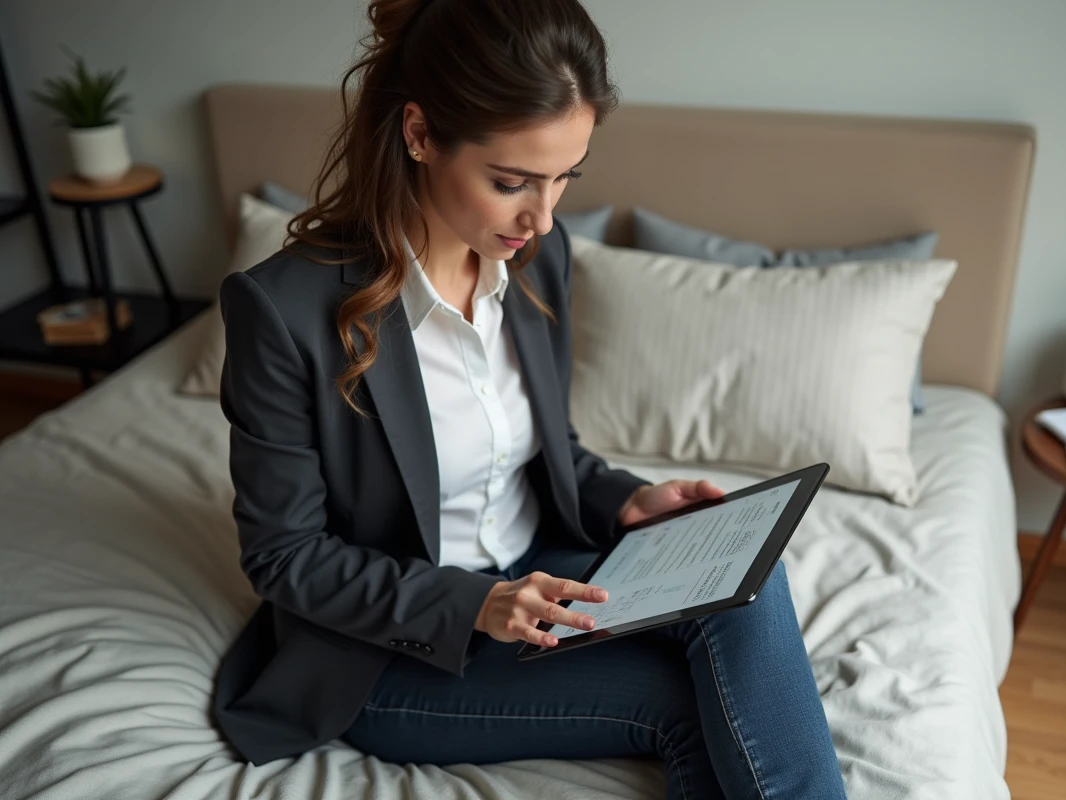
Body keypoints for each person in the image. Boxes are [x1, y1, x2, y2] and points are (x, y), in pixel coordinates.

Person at [211, 1, 846, 797]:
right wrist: (480, 603)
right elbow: (284, 556)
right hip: (390, 651)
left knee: (748, 576)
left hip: (540, 569)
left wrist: (630, 501)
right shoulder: (284, 309)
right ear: (419, 134)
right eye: (511, 182)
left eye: (563, 179)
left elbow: (546, 452)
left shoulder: (539, 259)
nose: (541, 216)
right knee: (684, 706)